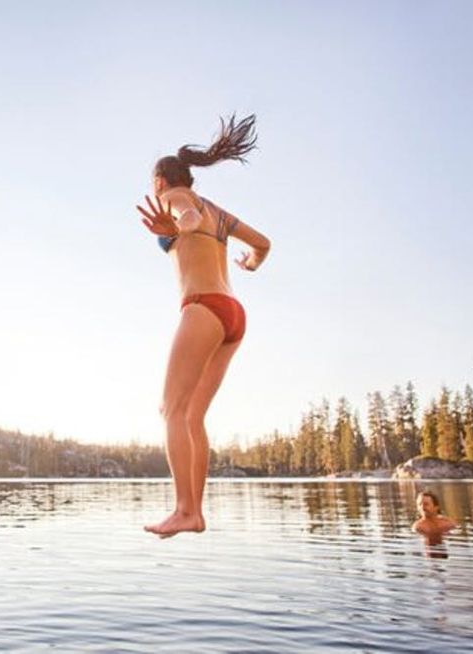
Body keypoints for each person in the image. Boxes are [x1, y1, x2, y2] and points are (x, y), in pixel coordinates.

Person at [136, 113, 271, 538]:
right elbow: (263, 243)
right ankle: (193, 512)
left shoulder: (175, 199)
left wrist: (176, 224)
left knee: (170, 410)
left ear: (160, 181)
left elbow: (189, 219)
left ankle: (184, 510)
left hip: (202, 309)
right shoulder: (220, 212)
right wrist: (249, 262)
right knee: (193, 416)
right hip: (233, 313)